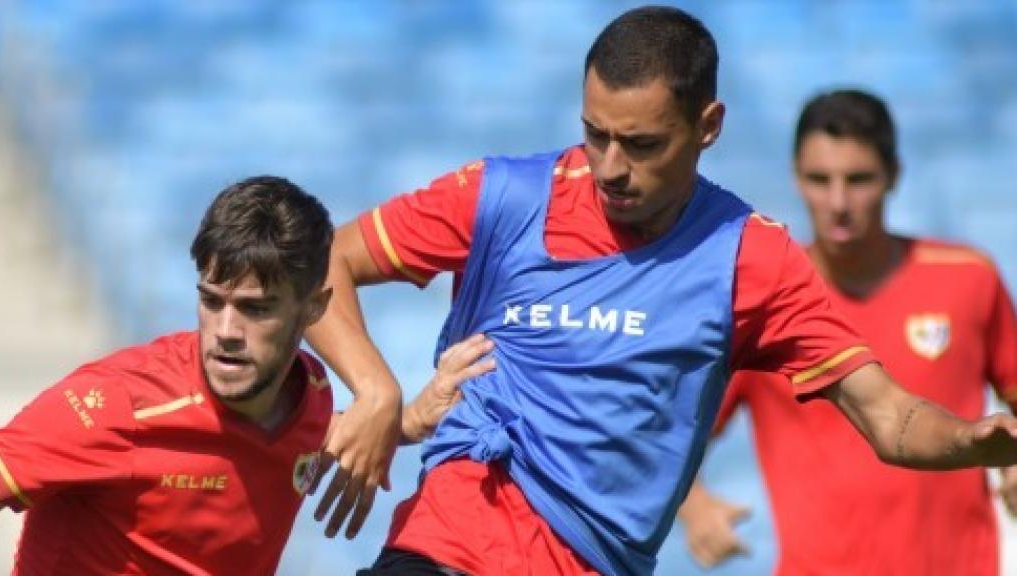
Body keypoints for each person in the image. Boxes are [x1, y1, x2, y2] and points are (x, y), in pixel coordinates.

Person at [306, 7, 1017, 576]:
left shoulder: (748, 257)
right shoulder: (501, 196)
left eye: (641, 144)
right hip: (447, 542)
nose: (610, 167)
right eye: (594, 135)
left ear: (707, 127)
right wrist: (377, 391)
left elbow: (887, 419)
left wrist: (971, 440)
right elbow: (326, 258)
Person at [0, 176, 491, 575]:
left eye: (255, 309)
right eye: (211, 301)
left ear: (313, 309)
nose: (226, 331)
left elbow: (303, 437)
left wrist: (410, 421)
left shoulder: (309, 394)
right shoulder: (119, 404)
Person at [676, 89, 1017, 575]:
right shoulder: (765, 299)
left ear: (894, 175)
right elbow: (671, 435)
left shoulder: (968, 278)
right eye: (820, 179)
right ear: (796, 177)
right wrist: (695, 508)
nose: (838, 202)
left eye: (858, 180)